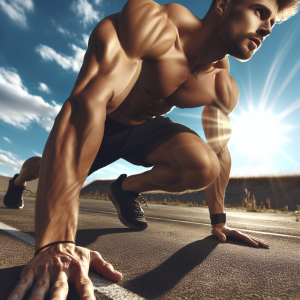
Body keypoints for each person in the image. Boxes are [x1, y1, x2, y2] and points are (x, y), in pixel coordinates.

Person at [5, 0, 299, 299]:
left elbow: (220, 150)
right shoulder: (153, 24)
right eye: (259, 12)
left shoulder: (222, 83)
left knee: (203, 165)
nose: (267, 29)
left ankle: (126, 189)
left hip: (146, 128)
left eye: (273, 23)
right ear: (223, 5)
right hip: (104, 120)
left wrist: (218, 221)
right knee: (46, 169)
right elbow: (86, 104)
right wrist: (55, 244)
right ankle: (19, 180)